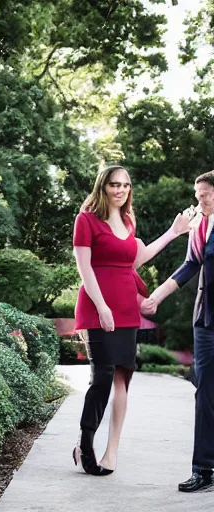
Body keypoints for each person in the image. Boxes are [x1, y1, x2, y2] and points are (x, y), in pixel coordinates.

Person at [72, 165, 190, 476]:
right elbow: (84, 268)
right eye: (114, 184)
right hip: (97, 308)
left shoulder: (127, 221)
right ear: (103, 187)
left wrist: (174, 232)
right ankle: (85, 445)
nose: (120, 190)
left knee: (122, 378)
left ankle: (111, 451)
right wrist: (102, 307)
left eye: (125, 185)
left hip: (126, 310)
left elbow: (135, 259)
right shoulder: (86, 220)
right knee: (102, 377)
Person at [141, 170, 214, 493]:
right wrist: (156, 295)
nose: (200, 200)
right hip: (206, 320)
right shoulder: (201, 228)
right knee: (206, 393)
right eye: (197, 195)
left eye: (206, 194)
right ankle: (204, 468)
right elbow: (189, 266)